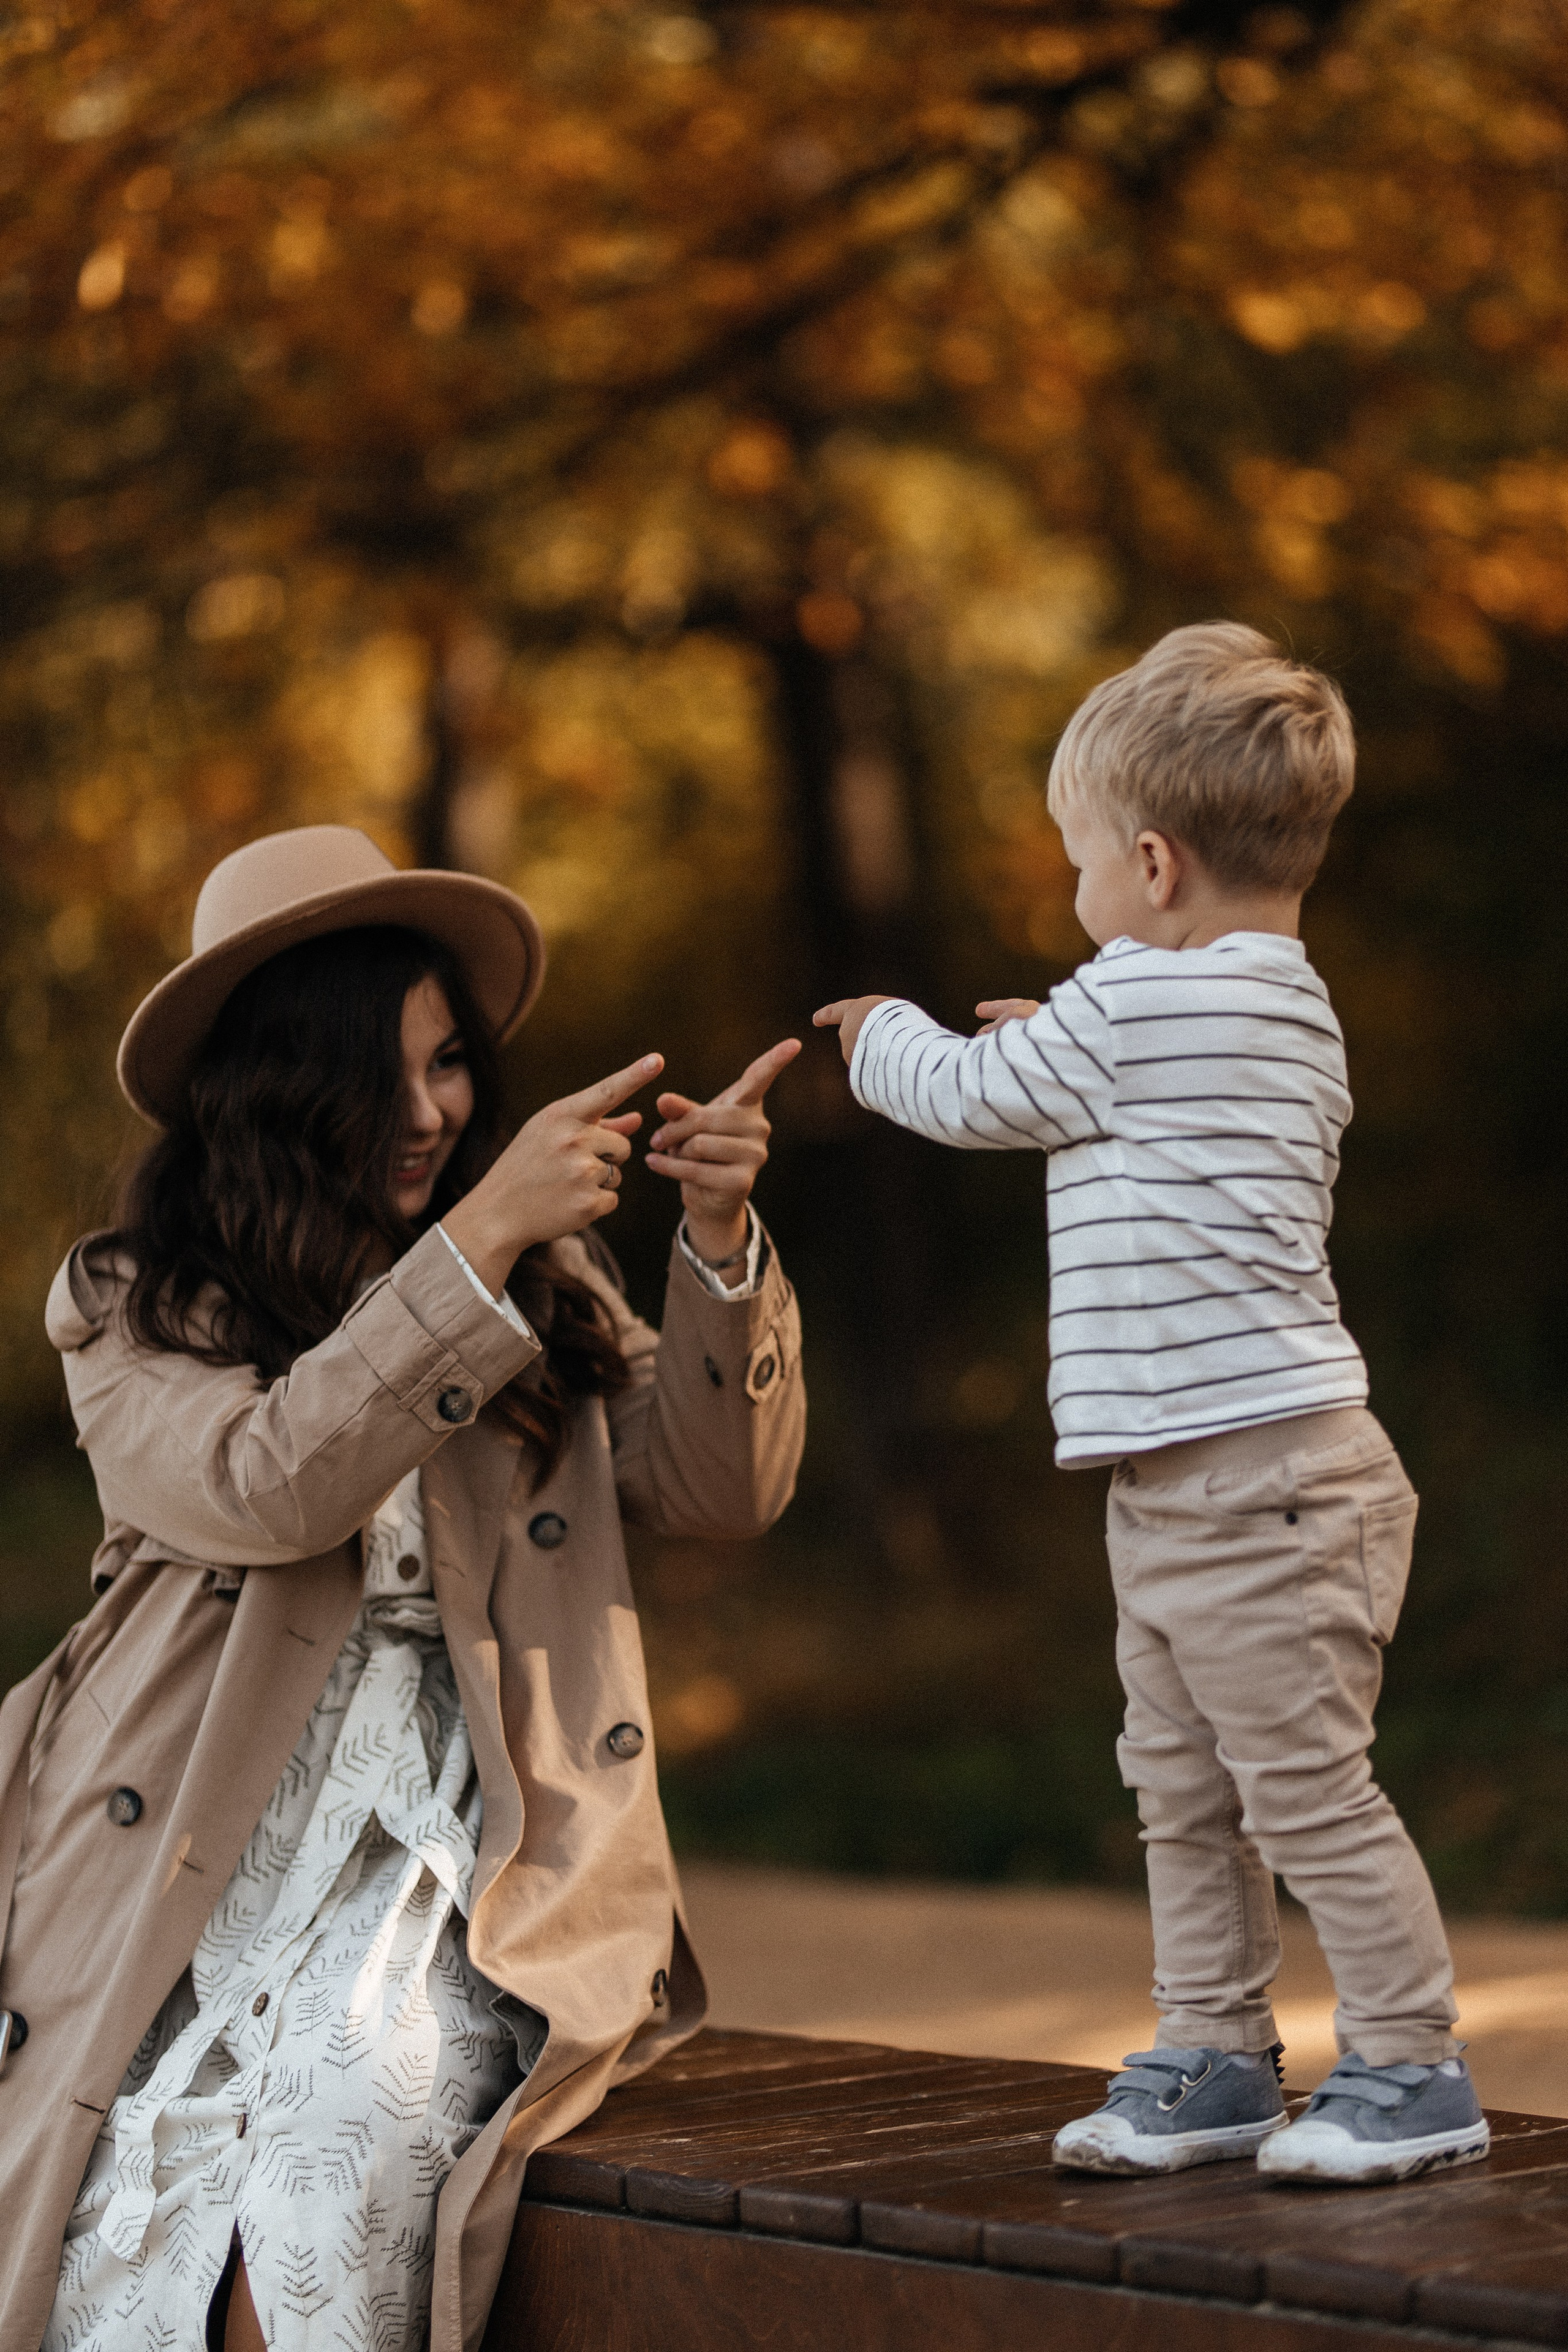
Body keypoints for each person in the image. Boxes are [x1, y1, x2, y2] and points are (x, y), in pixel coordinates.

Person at [0, 824, 806, 2351]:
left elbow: (718, 1488)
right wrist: (480, 1236)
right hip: (197, 1832)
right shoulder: (133, 1300)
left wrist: (716, 1245)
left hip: (464, 1837)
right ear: (278, 1085)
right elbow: (267, 1487)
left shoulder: (546, 1288)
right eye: (385, 1075)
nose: (435, 1112)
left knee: (315, 2205)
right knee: (131, 2228)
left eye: (450, 1065)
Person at [815, 622, 1487, 2188]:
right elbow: (1125, 1093)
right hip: (1206, 1484)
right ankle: (1214, 2054)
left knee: (1298, 1795)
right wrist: (1055, 1042)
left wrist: (879, 1037)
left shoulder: (1130, 1006)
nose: (1075, 901)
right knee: (1182, 1788)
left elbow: (970, 1096)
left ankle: (1409, 2065)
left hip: (1255, 1487)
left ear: (1151, 866)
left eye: (1077, 867)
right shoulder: (1274, 1002)